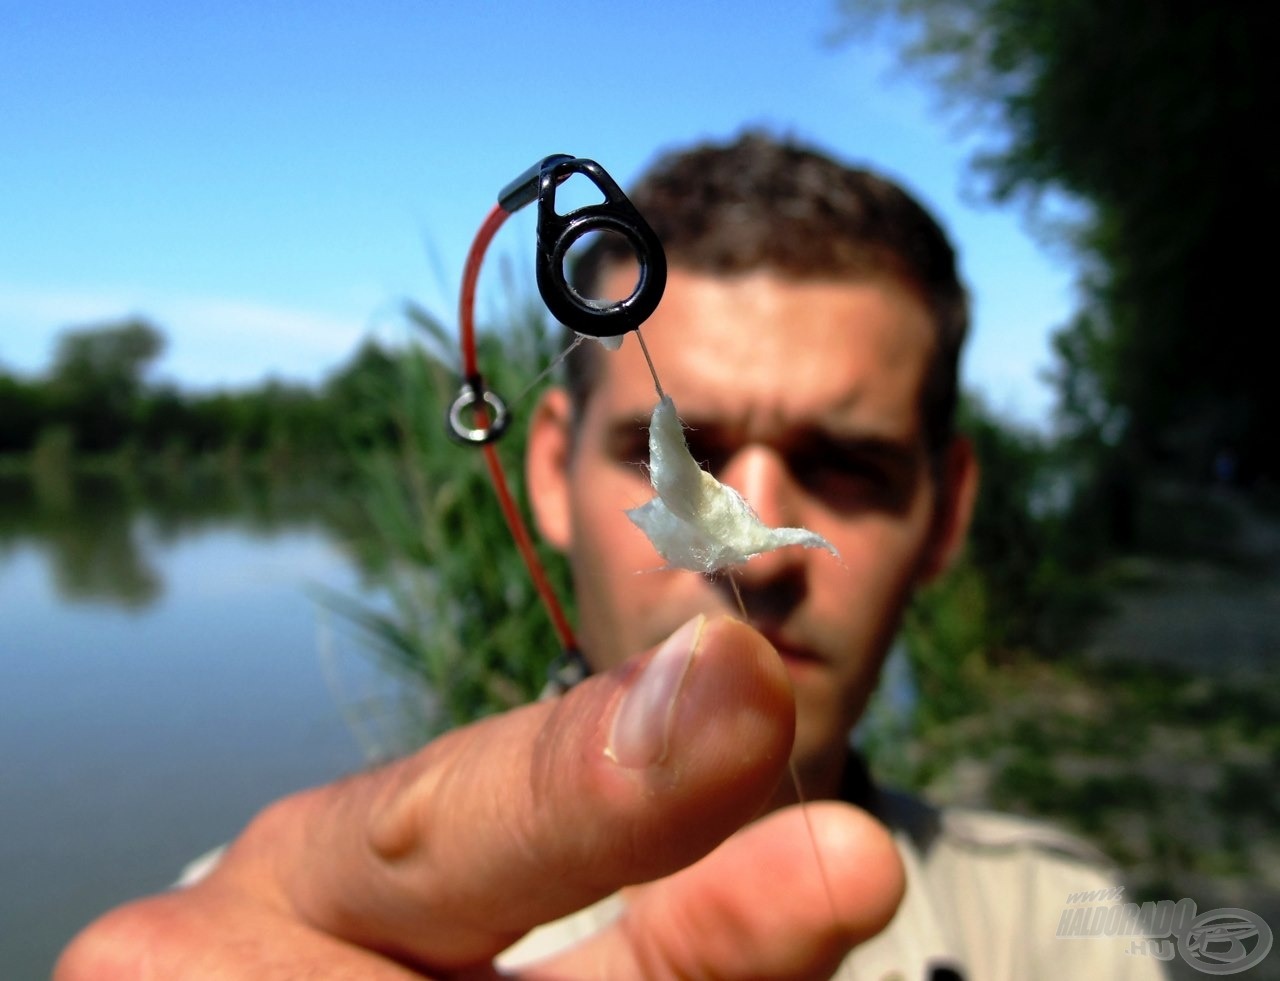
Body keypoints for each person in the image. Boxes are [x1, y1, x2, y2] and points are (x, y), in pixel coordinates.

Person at [57, 133, 1163, 979]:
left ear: (948, 511)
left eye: (848, 466)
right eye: (682, 449)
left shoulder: (1063, 931)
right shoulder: (306, 922)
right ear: (543, 473)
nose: (761, 549)